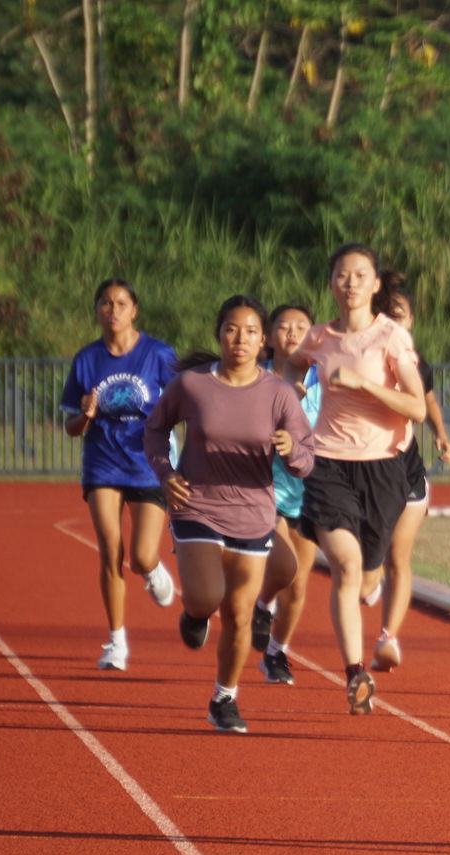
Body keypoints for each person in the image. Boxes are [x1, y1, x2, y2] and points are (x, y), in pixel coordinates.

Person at [144, 295, 314, 732]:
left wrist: (292, 449)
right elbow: (155, 429)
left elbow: (307, 458)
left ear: (264, 343)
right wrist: (164, 473)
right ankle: (194, 613)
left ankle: (224, 698)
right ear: (219, 334)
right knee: (204, 598)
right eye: (232, 329)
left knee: (238, 616)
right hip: (196, 505)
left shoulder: (278, 393)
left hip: (254, 515)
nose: (241, 339)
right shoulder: (192, 384)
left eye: (251, 331)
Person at [283, 242, 426, 715]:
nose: (350, 284)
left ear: (375, 284)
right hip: (328, 462)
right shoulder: (320, 337)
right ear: (331, 284)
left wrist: (365, 383)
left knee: (366, 574)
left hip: (384, 466)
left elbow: (417, 408)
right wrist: (293, 390)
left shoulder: (391, 339)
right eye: (342, 276)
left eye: (360, 276)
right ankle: (354, 673)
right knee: (344, 566)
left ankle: (372, 585)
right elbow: (294, 365)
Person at [60, 278, 179, 671]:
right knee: (110, 550)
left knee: (142, 557)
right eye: (106, 304)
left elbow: (184, 404)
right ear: (97, 311)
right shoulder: (86, 360)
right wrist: (86, 414)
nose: (113, 311)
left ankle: (154, 570)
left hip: (146, 462)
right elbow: (71, 427)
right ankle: (116, 641)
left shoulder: (158, 355)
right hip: (103, 462)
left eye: (121, 303)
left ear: (134, 311)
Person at [361, 272, 450, 671]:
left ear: (412, 321)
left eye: (402, 316)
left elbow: (428, 401)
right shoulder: (360, 359)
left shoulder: (419, 364)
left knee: (400, 556)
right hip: (363, 469)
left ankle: (389, 637)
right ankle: (368, 580)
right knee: (371, 559)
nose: (395, 323)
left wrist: (441, 434)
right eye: (388, 315)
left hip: (407, 469)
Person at [251, 304, 319, 685]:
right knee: (284, 565)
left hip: (307, 494)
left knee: (299, 584)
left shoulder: (326, 386)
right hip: (263, 490)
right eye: (284, 326)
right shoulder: (254, 380)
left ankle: (276, 654)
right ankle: (262, 606)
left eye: (302, 327)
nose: (292, 333)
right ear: (269, 335)